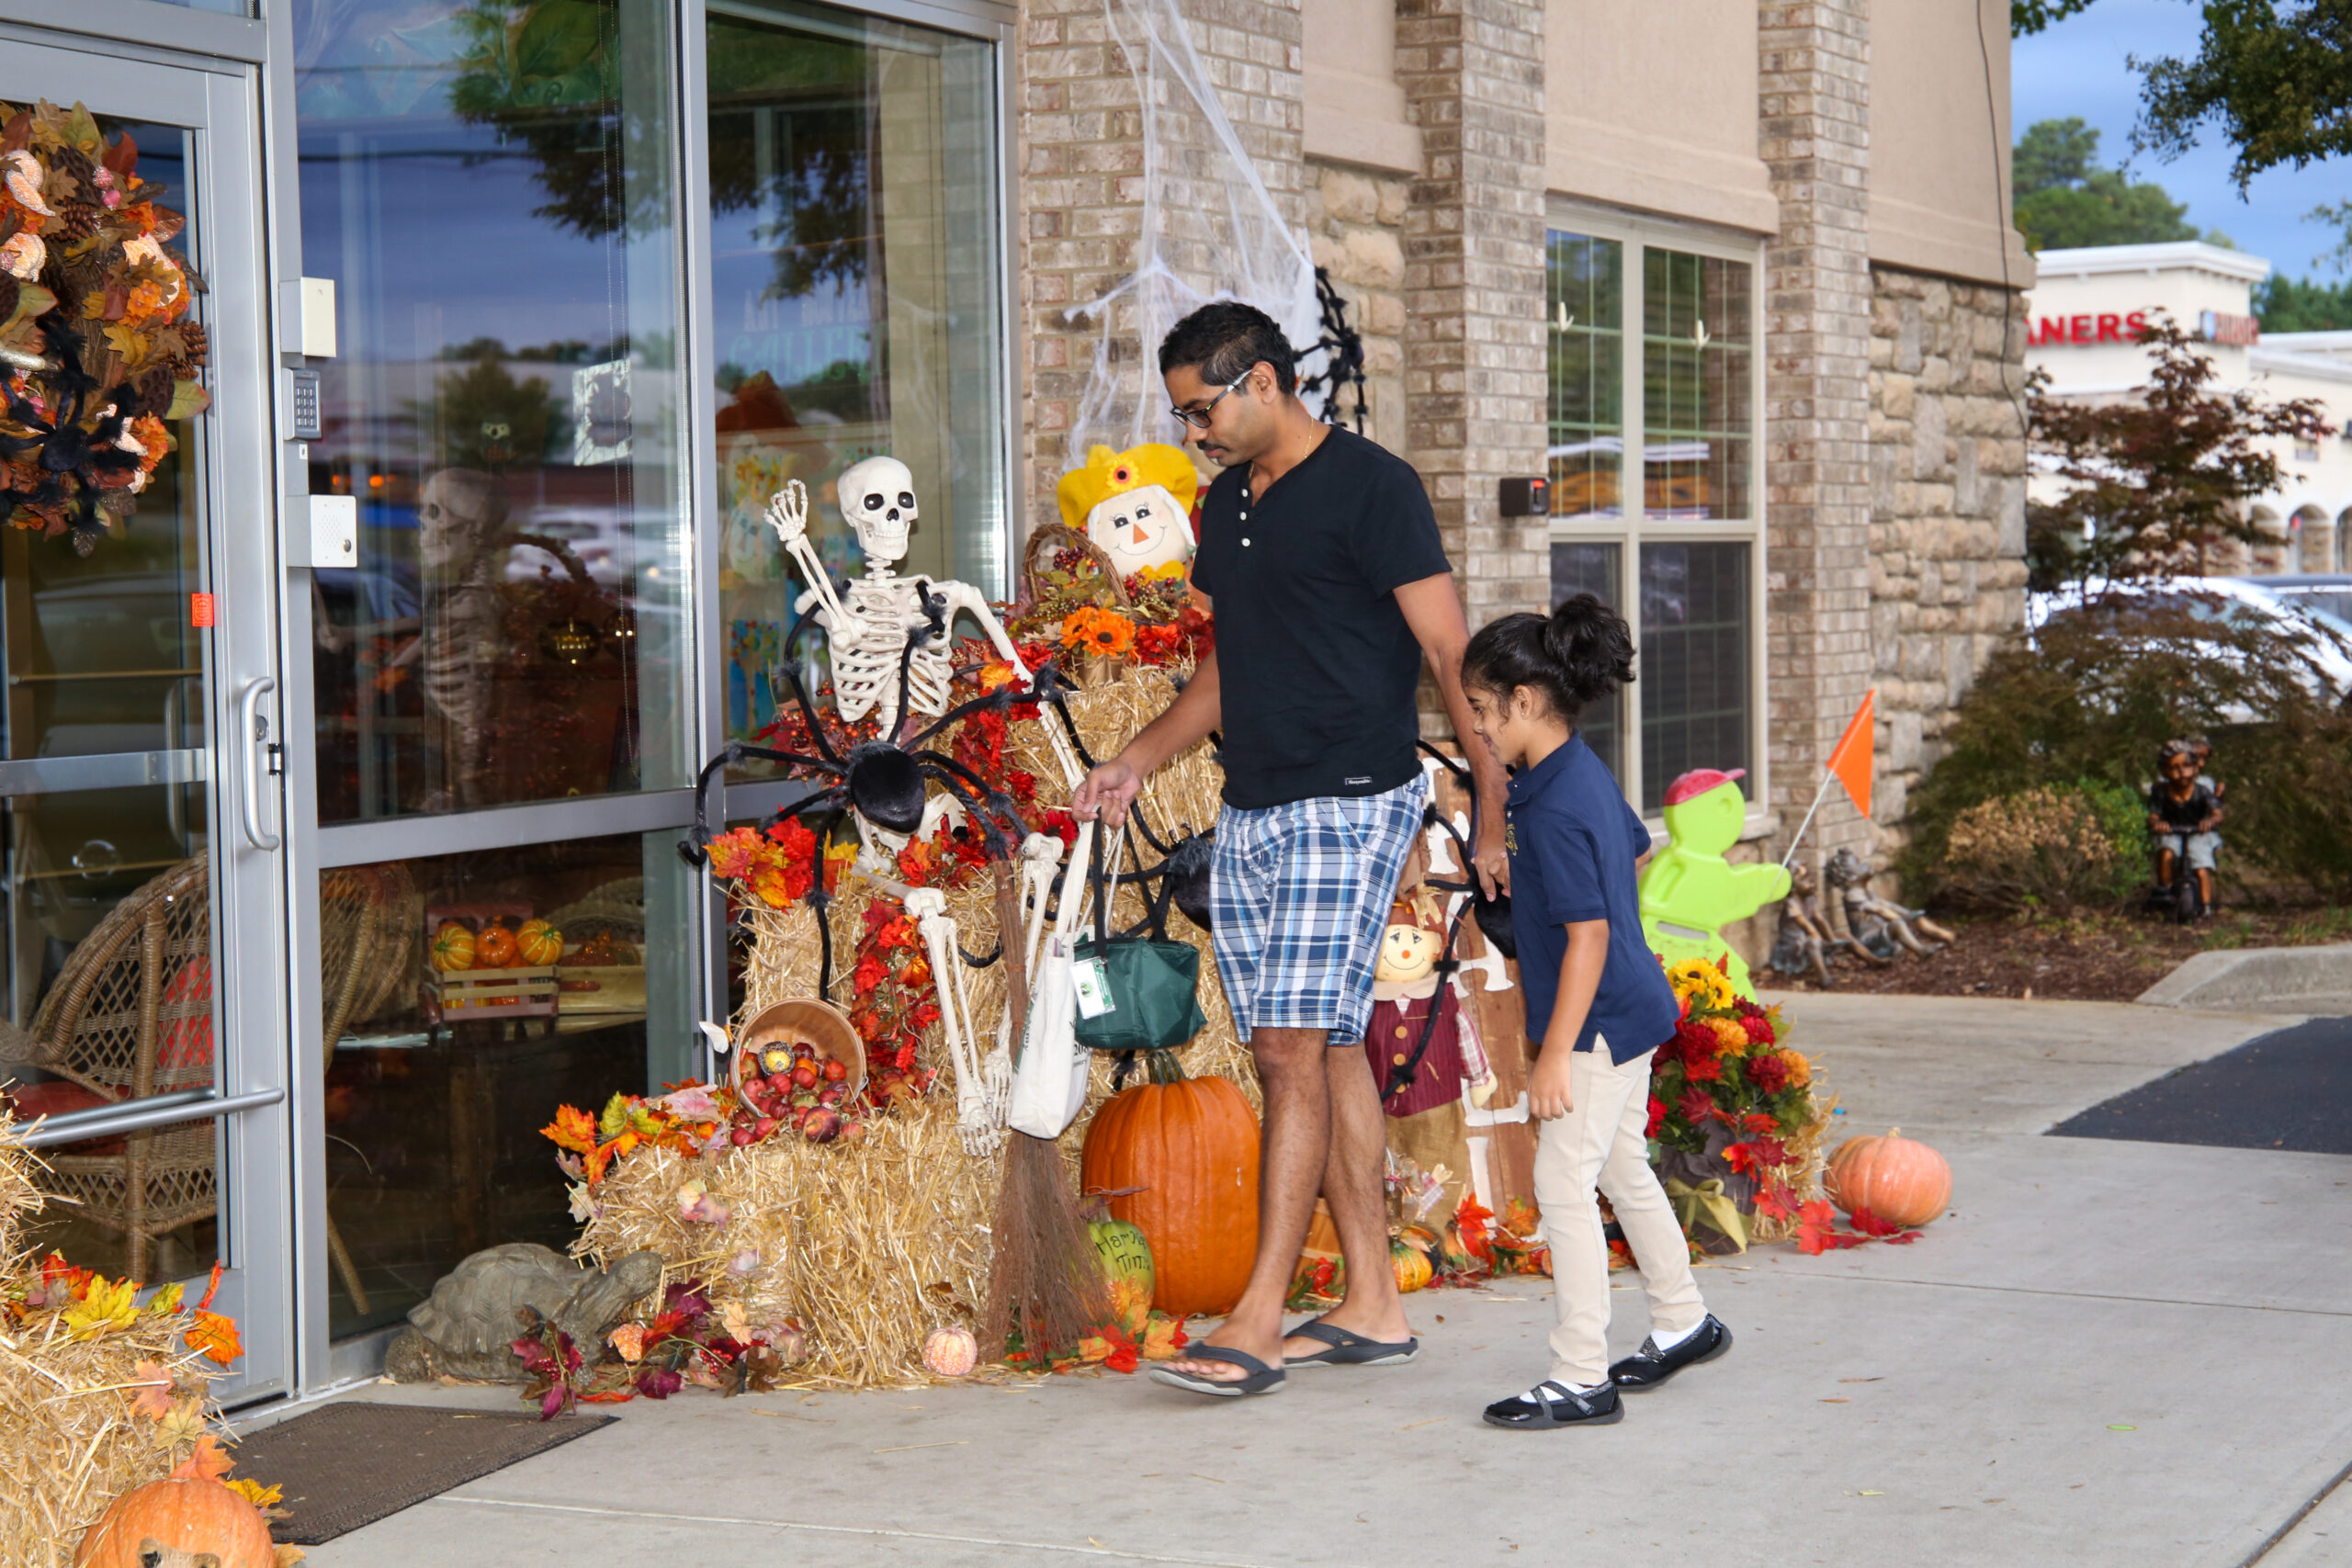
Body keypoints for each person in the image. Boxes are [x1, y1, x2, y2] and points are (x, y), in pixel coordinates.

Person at [1070, 300, 1508, 1398]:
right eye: (1180, 416)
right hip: (1256, 807)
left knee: (1283, 1055)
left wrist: (1492, 810)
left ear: (1262, 380)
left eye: (1200, 410)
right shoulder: (1222, 505)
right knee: (1330, 1047)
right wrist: (1132, 758)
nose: (1192, 435)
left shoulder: (1375, 489)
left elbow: (1452, 656)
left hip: (1352, 799)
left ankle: (1256, 1316)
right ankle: (1371, 1301)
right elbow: (1221, 677)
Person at [1460, 595, 1731, 1430]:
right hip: (1632, 1000)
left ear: (1524, 701)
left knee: (1561, 1183)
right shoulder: (1569, 772)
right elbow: (1634, 845)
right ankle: (1683, 1319)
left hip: (1598, 1018)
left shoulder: (1561, 802)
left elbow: (1587, 936)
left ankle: (1580, 1374)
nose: (1475, 725)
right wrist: (1509, 846)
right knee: (1619, 1165)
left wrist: (1554, 1053)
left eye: (1480, 709)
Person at [2149, 738, 2223, 916]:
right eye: (2175, 768)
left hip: (2197, 831)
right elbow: (2153, 816)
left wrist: (2210, 821)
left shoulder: (2201, 791)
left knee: (2201, 865)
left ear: (2195, 768)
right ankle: (2165, 890)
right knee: (2167, 852)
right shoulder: (2162, 792)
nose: (2182, 773)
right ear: (2165, 771)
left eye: (2187, 766)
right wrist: (2158, 823)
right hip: (2173, 830)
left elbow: (2217, 812)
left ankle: (2206, 905)